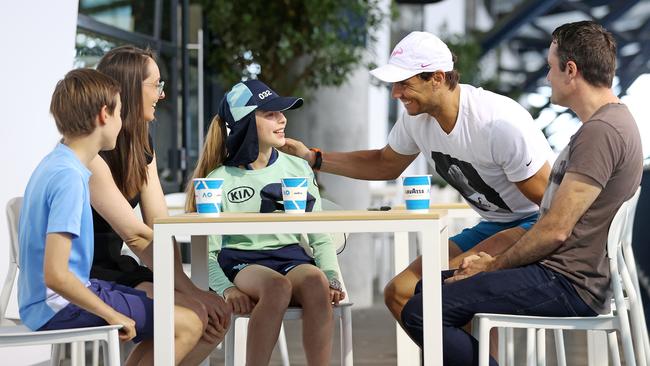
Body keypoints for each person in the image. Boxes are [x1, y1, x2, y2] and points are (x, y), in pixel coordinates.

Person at [399, 20, 643, 365]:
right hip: (568, 275)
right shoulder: (614, 123)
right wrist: (490, 265)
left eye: (550, 67)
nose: (547, 77)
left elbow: (555, 228)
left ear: (570, 70)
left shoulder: (600, 132)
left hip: (568, 283)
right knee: (428, 290)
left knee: (422, 310)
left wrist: (492, 266)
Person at [281, 31, 553, 325]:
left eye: (404, 83)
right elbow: (384, 164)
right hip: (492, 225)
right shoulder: (415, 121)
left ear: (437, 78)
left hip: (534, 221)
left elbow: (553, 204)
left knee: (445, 289)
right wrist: (313, 158)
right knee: (399, 292)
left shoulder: (495, 122)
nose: (395, 93)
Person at [17, 68, 203, 365]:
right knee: (189, 323)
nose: (122, 123)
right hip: (58, 307)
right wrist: (110, 313)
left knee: (179, 315)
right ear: (104, 115)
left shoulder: (57, 164)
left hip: (57, 300)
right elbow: (56, 274)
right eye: (119, 113)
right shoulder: (69, 178)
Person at [185, 79, 345, 366]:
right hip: (241, 261)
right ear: (246, 122)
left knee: (316, 283)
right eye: (269, 113)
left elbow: (319, 235)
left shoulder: (297, 168)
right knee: (276, 287)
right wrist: (226, 289)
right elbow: (206, 251)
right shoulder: (218, 179)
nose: (282, 118)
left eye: (280, 112)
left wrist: (331, 275)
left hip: (291, 257)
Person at [89, 45, 230, 363]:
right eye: (157, 85)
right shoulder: (90, 149)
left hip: (117, 269)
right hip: (89, 277)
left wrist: (187, 286)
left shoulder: (141, 143)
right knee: (194, 316)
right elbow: (136, 237)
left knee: (217, 317)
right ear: (129, 89)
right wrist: (190, 291)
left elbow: (158, 226)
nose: (162, 94)